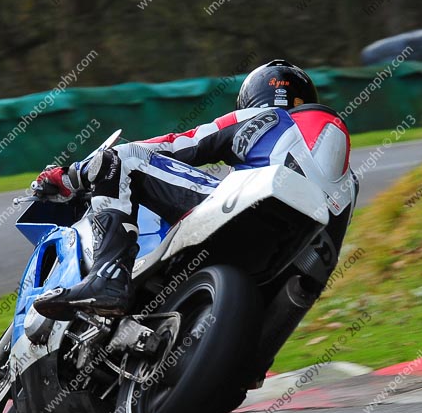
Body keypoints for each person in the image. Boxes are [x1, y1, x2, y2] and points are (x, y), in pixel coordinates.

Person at [32, 59, 358, 320]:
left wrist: (73, 174)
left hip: (247, 211)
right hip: (293, 257)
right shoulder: (346, 178)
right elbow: (321, 268)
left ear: (252, 99)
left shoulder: (263, 117)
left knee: (125, 159)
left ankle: (109, 276)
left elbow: (177, 146)